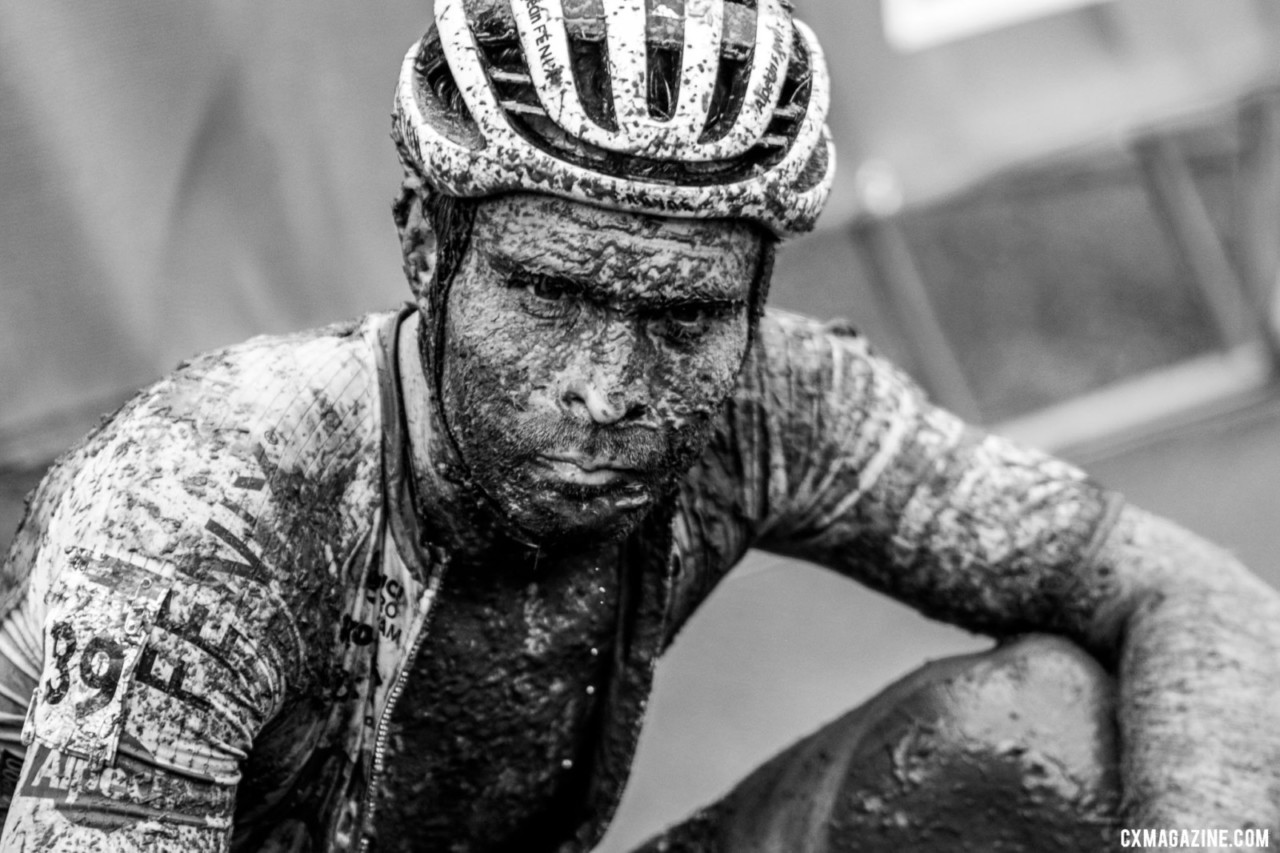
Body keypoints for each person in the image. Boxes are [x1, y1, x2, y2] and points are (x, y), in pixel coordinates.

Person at [1, 0, 1278, 850]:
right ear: (425, 247)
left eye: (681, 317)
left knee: (1039, 723)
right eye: (548, 292)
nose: (607, 383)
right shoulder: (211, 498)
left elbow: (1182, 589)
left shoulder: (773, 397)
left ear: (757, 302)